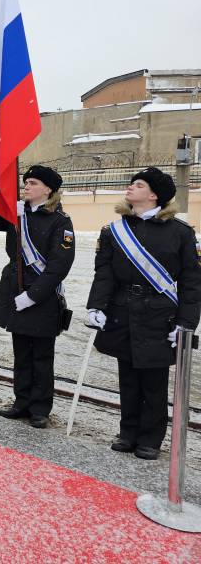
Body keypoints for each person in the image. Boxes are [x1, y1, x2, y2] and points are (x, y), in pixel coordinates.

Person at [86, 167, 201, 460]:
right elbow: (105, 273)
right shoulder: (114, 231)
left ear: (153, 195)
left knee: (153, 381)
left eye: (137, 185)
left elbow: (191, 282)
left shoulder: (181, 233)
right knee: (127, 378)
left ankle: (150, 438)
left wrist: (186, 323)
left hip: (159, 315)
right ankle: (128, 433)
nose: (130, 188)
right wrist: (96, 306)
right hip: (123, 311)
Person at [0, 165, 75, 429]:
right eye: (25, 182)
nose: (26, 186)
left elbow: (59, 265)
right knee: (21, 353)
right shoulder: (17, 215)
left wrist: (33, 296)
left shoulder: (60, 221)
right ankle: (21, 402)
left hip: (41, 296)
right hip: (15, 289)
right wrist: (8, 210)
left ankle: (40, 409)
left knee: (41, 356)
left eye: (32, 183)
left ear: (48, 189)